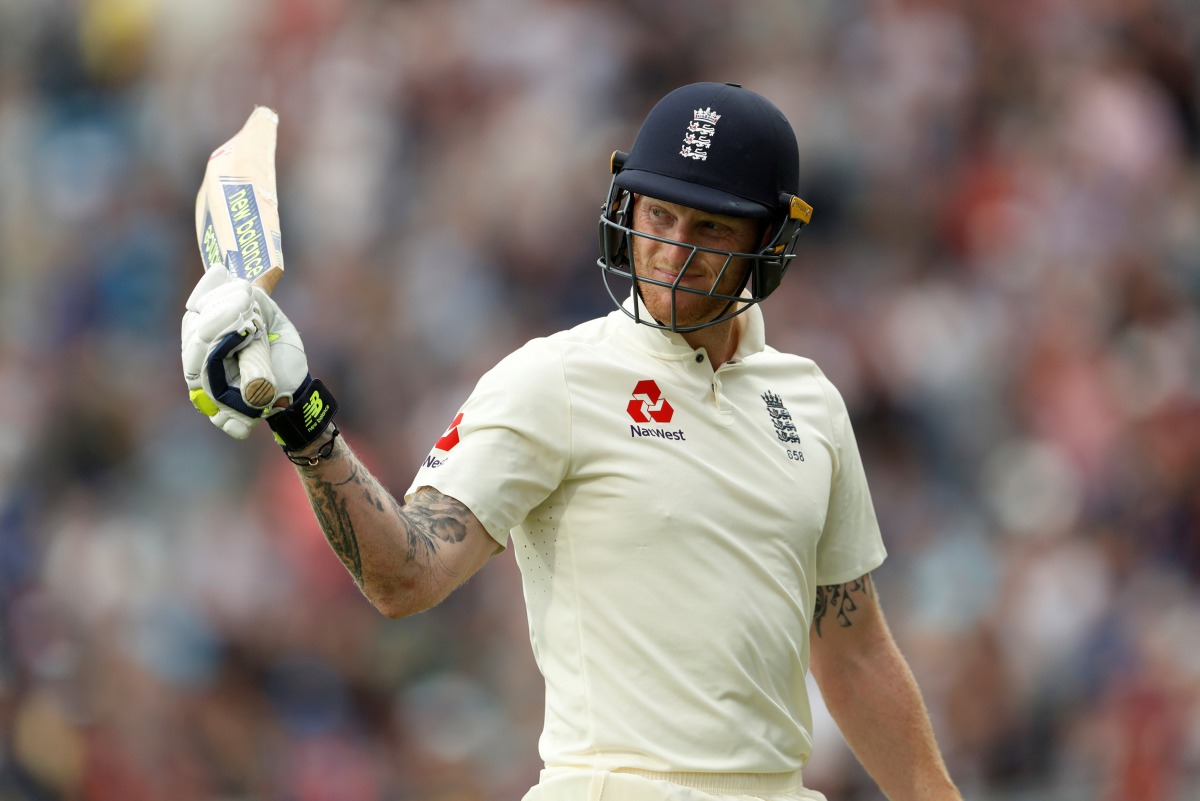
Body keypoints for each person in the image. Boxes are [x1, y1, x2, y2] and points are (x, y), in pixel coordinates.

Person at [181, 82, 963, 801]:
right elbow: (405, 576)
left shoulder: (810, 403)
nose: (672, 250)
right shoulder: (554, 378)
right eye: (658, 215)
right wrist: (301, 417)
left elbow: (854, 650)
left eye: (710, 226)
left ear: (772, 240)